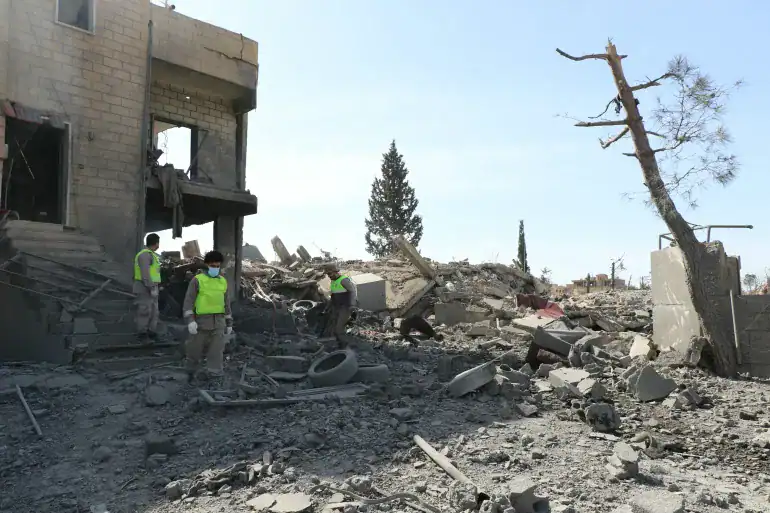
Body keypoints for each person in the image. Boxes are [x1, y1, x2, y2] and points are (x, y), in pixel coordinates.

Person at [182, 250, 233, 379]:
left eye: (217, 266)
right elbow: (189, 302)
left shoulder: (223, 281)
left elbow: (226, 304)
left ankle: (214, 376)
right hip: (200, 322)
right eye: (212, 266)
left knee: (216, 352)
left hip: (219, 322)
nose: (215, 268)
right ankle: (190, 375)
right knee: (194, 350)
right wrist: (190, 321)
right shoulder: (197, 280)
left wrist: (229, 322)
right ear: (206, 265)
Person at [133, 233, 161, 341]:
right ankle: (142, 334)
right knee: (144, 310)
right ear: (156, 243)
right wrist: (151, 288)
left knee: (154, 311)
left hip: (152, 286)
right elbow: (145, 274)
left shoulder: (152, 255)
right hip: (144, 287)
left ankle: (151, 332)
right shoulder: (144, 255)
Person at [323, 264, 357, 343]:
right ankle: (338, 343)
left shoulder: (344, 280)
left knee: (339, 329)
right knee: (332, 325)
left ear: (335, 272)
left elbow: (353, 291)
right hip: (337, 307)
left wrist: (352, 305)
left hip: (346, 307)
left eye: (330, 273)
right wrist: (327, 308)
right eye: (328, 274)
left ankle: (346, 347)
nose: (329, 276)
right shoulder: (333, 281)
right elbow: (333, 296)